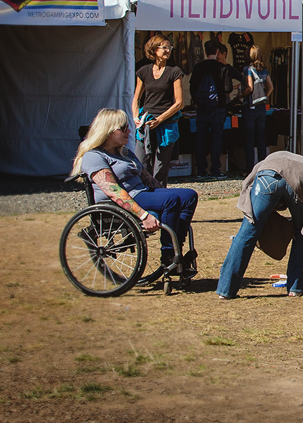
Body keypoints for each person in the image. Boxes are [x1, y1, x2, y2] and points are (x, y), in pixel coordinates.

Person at [72, 108, 198, 272]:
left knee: (188, 196)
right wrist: (144, 215)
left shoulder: (125, 153)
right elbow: (114, 192)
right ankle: (168, 256)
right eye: (123, 128)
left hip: (141, 193)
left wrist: (164, 194)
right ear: (108, 131)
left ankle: (176, 249)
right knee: (171, 200)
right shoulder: (94, 156)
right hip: (121, 202)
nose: (129, 131)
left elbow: (148, 180)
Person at [217, 151, 303, 298]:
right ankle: (297, 288)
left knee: (248, 230)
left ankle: (226, 290)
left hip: (268, 176)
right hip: (301, 178)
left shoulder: (264, 163)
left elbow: (247, 188)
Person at [132, 35, 184, 187]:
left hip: (166, 123)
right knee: (141, 162)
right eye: (164, 47)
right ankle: (143, 195)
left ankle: (160, 196)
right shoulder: (144, 71)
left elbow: (179, 103)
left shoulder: (174, 71)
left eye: (170, 47)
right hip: (146, 121)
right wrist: (136, 117)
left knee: (161, 167)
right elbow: (136, 98)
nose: (168, 50)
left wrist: (160, 120)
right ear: (154, 50)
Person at [190, 40, 238, 179]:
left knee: (201, 139)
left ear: (205, 51)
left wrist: (199, 100)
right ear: (217, 52)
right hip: (218, 109)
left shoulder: (199, 67)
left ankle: (201, 170)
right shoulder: (222, 68)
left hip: (202, 108)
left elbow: (192, 87)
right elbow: (228, 88)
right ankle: (216, 170)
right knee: (216, 139)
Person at [241, 45, 274, 172]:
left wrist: (240, 95)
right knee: (261, 138)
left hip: (250, 107)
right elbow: (271, 86)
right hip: (261, 107)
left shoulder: (247, 69)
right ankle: (263, 167)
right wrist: (264, 97)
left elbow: (249, 87)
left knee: (249, 138)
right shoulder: (264, 69)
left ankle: (250, 168)